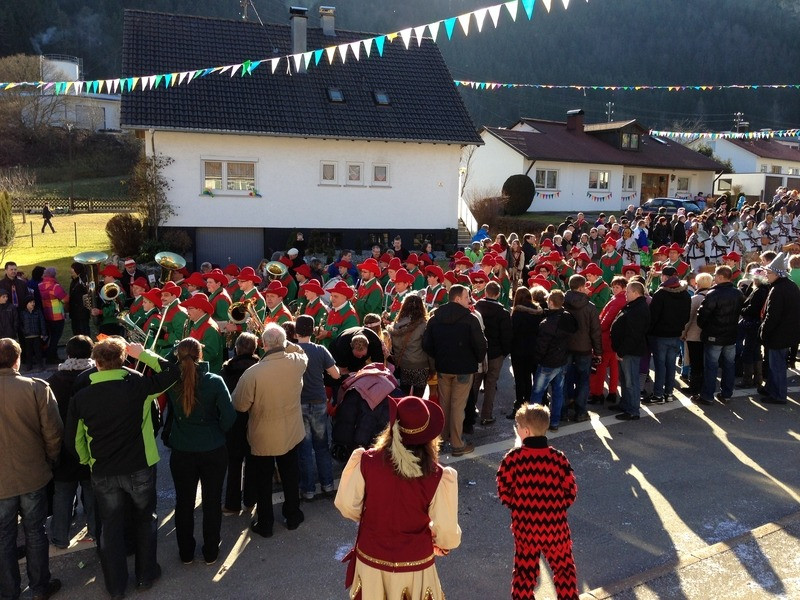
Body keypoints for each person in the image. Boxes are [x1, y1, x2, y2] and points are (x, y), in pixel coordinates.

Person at [65, 337, 179, 598]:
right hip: (140, 465)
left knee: (110, 526)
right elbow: (173, 372)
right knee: (145, 519)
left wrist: (88, 460)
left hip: (103, 469)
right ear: (123, 360)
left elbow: (73, 440)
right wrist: (144, 354)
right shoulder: (138, 386)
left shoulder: (82, 397)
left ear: (96, 363)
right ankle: (145, 575)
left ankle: (116, 586)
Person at [335, 396, 461, 600]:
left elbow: (347, 505)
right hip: (415, 564)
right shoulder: (437, 475)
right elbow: (446, 531)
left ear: (392, 428)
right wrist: (441, 544)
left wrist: (374, 519)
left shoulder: (367, 461)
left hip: (371, 557)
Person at [0, 338, 63, 600]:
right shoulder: (36, 387)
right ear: (17, 360)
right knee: (35, 531)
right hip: (33, 473)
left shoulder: (36, 387)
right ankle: (39, 588)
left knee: (4, 537)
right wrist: (50, 460)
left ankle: (8, 592)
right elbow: (53, 432)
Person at [232, 324, 308, 538]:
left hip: (263, 435)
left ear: (263, 345)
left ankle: (266, 523)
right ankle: (293, 515)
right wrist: (284, 342)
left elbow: (240, 405)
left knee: (263, 480)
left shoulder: (252, 373)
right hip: (291, 431)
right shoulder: (297, 362)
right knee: (290, 475)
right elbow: (301, 351)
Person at [164, 338, 235, 565]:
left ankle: (186, 552)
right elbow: (229, 416)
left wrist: (173, 354)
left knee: (184, 502)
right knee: (212, 501)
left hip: (182, 450)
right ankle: (211, 551)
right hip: (212, 448)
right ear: (200, 355)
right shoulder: (214, 381)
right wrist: (217, 431)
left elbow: (162, 364)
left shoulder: (172, 380)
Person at [497, 404, 579, 600]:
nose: (517, 429)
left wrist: (520, 506)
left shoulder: (513, 459)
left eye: (518, 426)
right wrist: (556, 508)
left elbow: (504, 491)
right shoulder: (558, 459)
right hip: (555, 527)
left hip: (526, 527)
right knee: (564, 571)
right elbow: (571, 491)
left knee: (524, 573)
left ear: (526, 431)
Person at [422, 285, 487, 456]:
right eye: (466, 297)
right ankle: (457, 444)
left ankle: (442, 439)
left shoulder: (435, 318)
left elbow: (427, 344)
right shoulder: (470, 319)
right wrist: (475, 360)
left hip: (444, 367)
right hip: (463, 369)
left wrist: (439, 356)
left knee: (445, 404)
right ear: (457, 299)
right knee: (458, 406)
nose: (469, 301)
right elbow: (481, 345)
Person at [47, 335, 97, 550]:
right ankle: (96, 531)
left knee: (63, 493)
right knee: (92, 490)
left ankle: (60, 536)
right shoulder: (95, 377)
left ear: (67, 354)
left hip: (62, 446)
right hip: (90, 443)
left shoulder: (53, 381)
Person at [295, 315, 340, 501]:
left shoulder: (292, 351)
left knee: (304, 448)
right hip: (319, 401)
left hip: (299, 402)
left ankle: (308, 490)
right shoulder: (320, 350)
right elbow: (336, 375)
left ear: (296, 332)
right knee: (321, 446)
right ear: (313, 331)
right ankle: (328, 485)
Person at [220, 332, 259, 514]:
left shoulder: (226, 370)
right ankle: (250, 500)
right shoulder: (260, 368)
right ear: (254, 349)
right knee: (252, 461)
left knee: (234, 463)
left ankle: (232, 504)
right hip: (254, 419)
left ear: (236, 349)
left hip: (234, 421)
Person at [694, 266, 744, 406]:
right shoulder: (737, 293)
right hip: (730, 334)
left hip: (714, 335)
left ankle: (707, 396)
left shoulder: (713, 293)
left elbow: (703, 314)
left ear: (721, 277)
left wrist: (704, 326)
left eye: (715, 275)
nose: (714, 278)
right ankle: (726, 394)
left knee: (711, 366)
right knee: (729, 365)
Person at [530, 290, 578, 431]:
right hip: (562, 360)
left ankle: (533, 423)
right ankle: (555, 422)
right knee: (558, 392)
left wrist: (536, 359)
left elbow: (541, 346)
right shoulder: (568, 317)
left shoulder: (547, 323)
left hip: (548, 363)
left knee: (537, 393)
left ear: (550, 302)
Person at [645, 266, 691, 405]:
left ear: (665, 277)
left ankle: (658, 394)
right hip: (675, 334)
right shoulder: (685, 294)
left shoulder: (661, 293)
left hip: (660, 335)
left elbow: (653, 316)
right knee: (670, 365)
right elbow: (686, 316)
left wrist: (649, 331)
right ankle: (669, 393)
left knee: (660, 366)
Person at [759, 253, 800, 404]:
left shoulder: (777, 289)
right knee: (776, 364)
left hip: (779, 334)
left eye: (769, 272)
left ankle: (778, 395)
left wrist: (763, 332)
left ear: (777, 274)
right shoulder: (790, 285)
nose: (766, 275)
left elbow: (772, 315)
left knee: (777, 366)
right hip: (786, 332)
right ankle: (772, 389)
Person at [609, 281, 651, 421]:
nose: (625, 294)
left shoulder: (639, 308)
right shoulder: (634, 305)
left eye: (627, 291)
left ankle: (633, 410)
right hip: (625, 350)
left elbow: (634, 335)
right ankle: (625, 404)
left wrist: (622, 351)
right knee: (625, 380)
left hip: (630, 351)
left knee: (631, 382)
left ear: (636, 293)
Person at [472, 280, 512, 425]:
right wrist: (504, 353)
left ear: (485, 292)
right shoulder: (503, 313)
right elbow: (506, 337)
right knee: (490, 384)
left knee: (475, 382)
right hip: (495, 353)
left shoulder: (476, 307)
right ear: (498, 294)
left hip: (479, 351)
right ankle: (486, 415)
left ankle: (470, 412)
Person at [563, 275, 602, 423]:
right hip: (584, 348)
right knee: (583, 380)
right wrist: (598, 352)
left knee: (564, 378)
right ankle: (580, 411)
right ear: (581, 287)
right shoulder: (590, 306)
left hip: (566, 347)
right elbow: (595, 331)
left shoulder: (563, 302)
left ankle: (563, 410)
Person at [508, 286, 544, 418]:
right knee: (530, 378)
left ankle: (519, 405)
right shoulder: (538, 312)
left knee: (520, 379)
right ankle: (529, 402)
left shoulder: (517, 313)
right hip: (533, 349)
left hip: (518, 350)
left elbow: (512, 332)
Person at [387, 294, 432, 396]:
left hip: (403, 365)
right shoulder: (424, 326)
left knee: (404, 396)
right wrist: (433, 368)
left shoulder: (397, 325)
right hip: (421, 366)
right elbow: (428, 348)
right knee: (418, 399)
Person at [681, 272, 713, 396]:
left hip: (694, 336)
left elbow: (688, 319)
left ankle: (694, 387)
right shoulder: (712, 296)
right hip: (708, 335)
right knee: (705, 362)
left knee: (695, 363)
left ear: (698, 284)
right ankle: (704, 386)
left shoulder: (695, 299)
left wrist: (683, 333)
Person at [38, 267, 68, 363]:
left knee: (50, 336)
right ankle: (51, 357)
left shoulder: (40, 286)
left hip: (46, 314)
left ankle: (48, 355)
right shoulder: (55, 286)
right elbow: (65, 299)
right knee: (55, 338)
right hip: (57, 315)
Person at [21, 295, 47, 370]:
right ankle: (29, 365)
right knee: (28, 352)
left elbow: (42, 322)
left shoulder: (37, 311)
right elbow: (21, 324)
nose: (33, 304)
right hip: (27, 336)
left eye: (33, 302)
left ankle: (40, 364)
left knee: (38, 351)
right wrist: (24, 331)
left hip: (36, 335)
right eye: (30, 302)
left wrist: (43, 333)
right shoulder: (23, 313)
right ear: (26, 304)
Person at [68, 262, 91, 336]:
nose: (71, 273)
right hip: (74, 312)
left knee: (83, 331)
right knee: (76, 331)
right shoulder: (74, 281)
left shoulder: (83, 280)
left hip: (82, 311)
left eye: (72, 272)